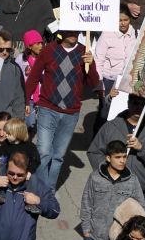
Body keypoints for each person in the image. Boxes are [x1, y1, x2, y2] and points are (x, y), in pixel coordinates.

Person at [25, 30, 100, 191]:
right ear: (62, 31)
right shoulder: (49, 50)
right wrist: (26, 100)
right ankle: (39, 190)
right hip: (47, 108)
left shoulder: (84, 52)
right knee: (44, 152)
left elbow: (93, 83)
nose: (74, 33)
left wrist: (91, 64)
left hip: (70, 113)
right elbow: (34, 77)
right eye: (70, 30)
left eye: (76, 31)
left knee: (58, 156)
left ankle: (49, 192)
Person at [88, 94, 145, 208]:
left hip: (141, 192)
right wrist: (107, 172)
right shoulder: (111, 126)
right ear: (128, 103)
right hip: (112, 189)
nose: (138, 107)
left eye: (143, 104)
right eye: (135, 103)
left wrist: (142, 148)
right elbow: (94, 152)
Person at [80, 139, 145, 240]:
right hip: (94, 235)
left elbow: (141, 208)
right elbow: (86, 202)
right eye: (118, 157)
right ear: (108, 158)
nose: (122, 160)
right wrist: (86, 230)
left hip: (118, 239)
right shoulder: (95, 177)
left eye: (124, 157)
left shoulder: (132, 180)